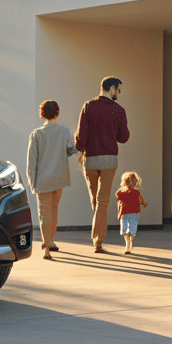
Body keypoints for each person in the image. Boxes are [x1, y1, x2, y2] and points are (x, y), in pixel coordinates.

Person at [75, 76, 130, 253]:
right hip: (109, 160)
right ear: (111, 88)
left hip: (90, 159)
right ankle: (98, 242)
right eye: (118, 90)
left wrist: (80, 149)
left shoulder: (88, 106)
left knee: (96, 200)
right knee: (102, 202)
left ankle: (97, 238)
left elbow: (81, 136)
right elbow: (124, 137)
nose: (119, 93)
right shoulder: (119, 110)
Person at [27, 100, 78, 259]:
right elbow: (71, 150)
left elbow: (31, 162)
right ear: (57, 112)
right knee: (54, 209)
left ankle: (47, 245)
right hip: (59, 178)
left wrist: (31, 182)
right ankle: (50, 240)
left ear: (42, 114)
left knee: (44, 213)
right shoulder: (64, 131)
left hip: (42, 180)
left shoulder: (36, 134)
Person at [115, 171, 148, 254]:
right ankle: (129, 243)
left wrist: (144, 203)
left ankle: (128, 245)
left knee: (128, 230)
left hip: (129, 213)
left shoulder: (133, 192)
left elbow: (141, 199)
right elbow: (142, 200)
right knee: (128, 230)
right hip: (128, 213)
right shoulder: (124, 192)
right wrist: (144, 203)